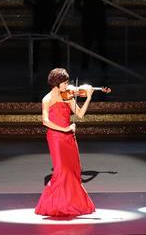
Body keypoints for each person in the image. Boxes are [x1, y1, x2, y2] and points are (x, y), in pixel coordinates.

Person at [35, 67, 96, 218]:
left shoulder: (67, 96)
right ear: (57, 83)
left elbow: (80, 114)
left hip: (69, 138)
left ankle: (72, 205)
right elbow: (45, 121)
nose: (67, 85)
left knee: (74, 171)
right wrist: (65, 128)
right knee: (61, 172)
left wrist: (88, 97)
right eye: (65, 82)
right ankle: (55, 205)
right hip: (56, 138)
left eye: (67, 82)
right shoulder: (47, 99)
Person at [25, 0, 66, 70]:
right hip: (38, 16)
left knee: (54, 43)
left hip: (51, 16)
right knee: (36, 43)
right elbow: (26, 0)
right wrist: (35, 7)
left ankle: (56, 68)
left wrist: (55, 6)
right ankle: (34, 67)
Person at [75, 0, 110, 75]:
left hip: (100, 20)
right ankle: (85, 68)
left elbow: (109, 3)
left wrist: (100, 9)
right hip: (88, 20)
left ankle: (104, 68)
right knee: (87, 44)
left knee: (101, 45)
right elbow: (77, 4)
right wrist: (84, 11)